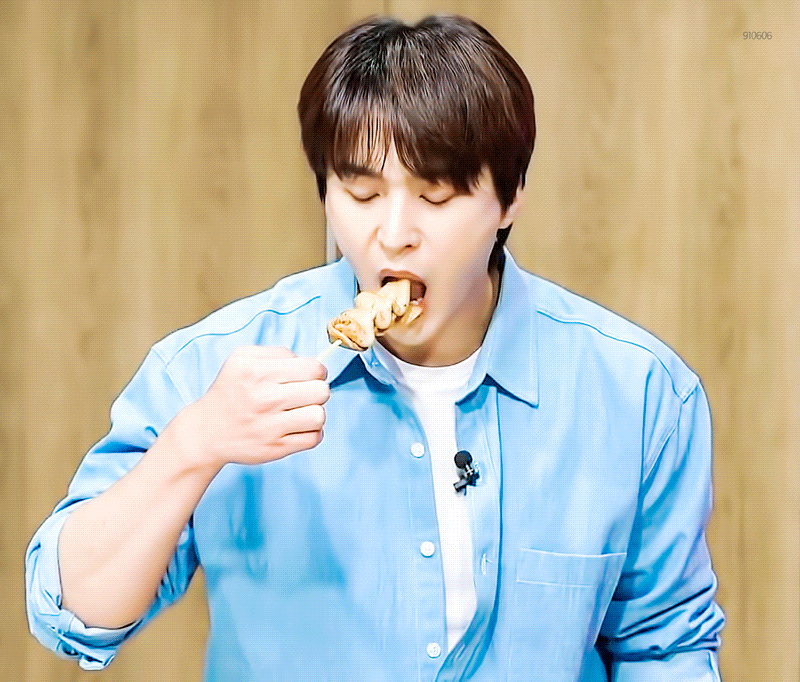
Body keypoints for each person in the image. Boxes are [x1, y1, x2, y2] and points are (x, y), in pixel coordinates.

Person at [26, 14, 725, 681]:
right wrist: (192, 447)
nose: (393, 235)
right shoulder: (213, 371)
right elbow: (74, 614)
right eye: (361, 194)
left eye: (436, 196)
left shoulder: (638, 394)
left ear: (510, 197)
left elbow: (665, 646)